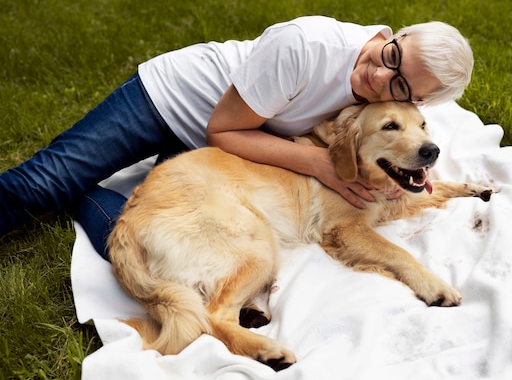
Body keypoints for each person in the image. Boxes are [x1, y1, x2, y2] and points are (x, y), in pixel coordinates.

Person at [0, 15, 473, 259]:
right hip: (168, 102)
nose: (378, 74)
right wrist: (319, 164)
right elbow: (223, 129)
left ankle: (89, 191)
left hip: (215, 149)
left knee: (153, 234)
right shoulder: (307, 45)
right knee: (43, 184)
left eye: (402, 86)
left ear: (421, 103)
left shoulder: (385, 103)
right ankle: (77, 182)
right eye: (391, 55)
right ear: (396, 34)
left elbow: (383, 146)